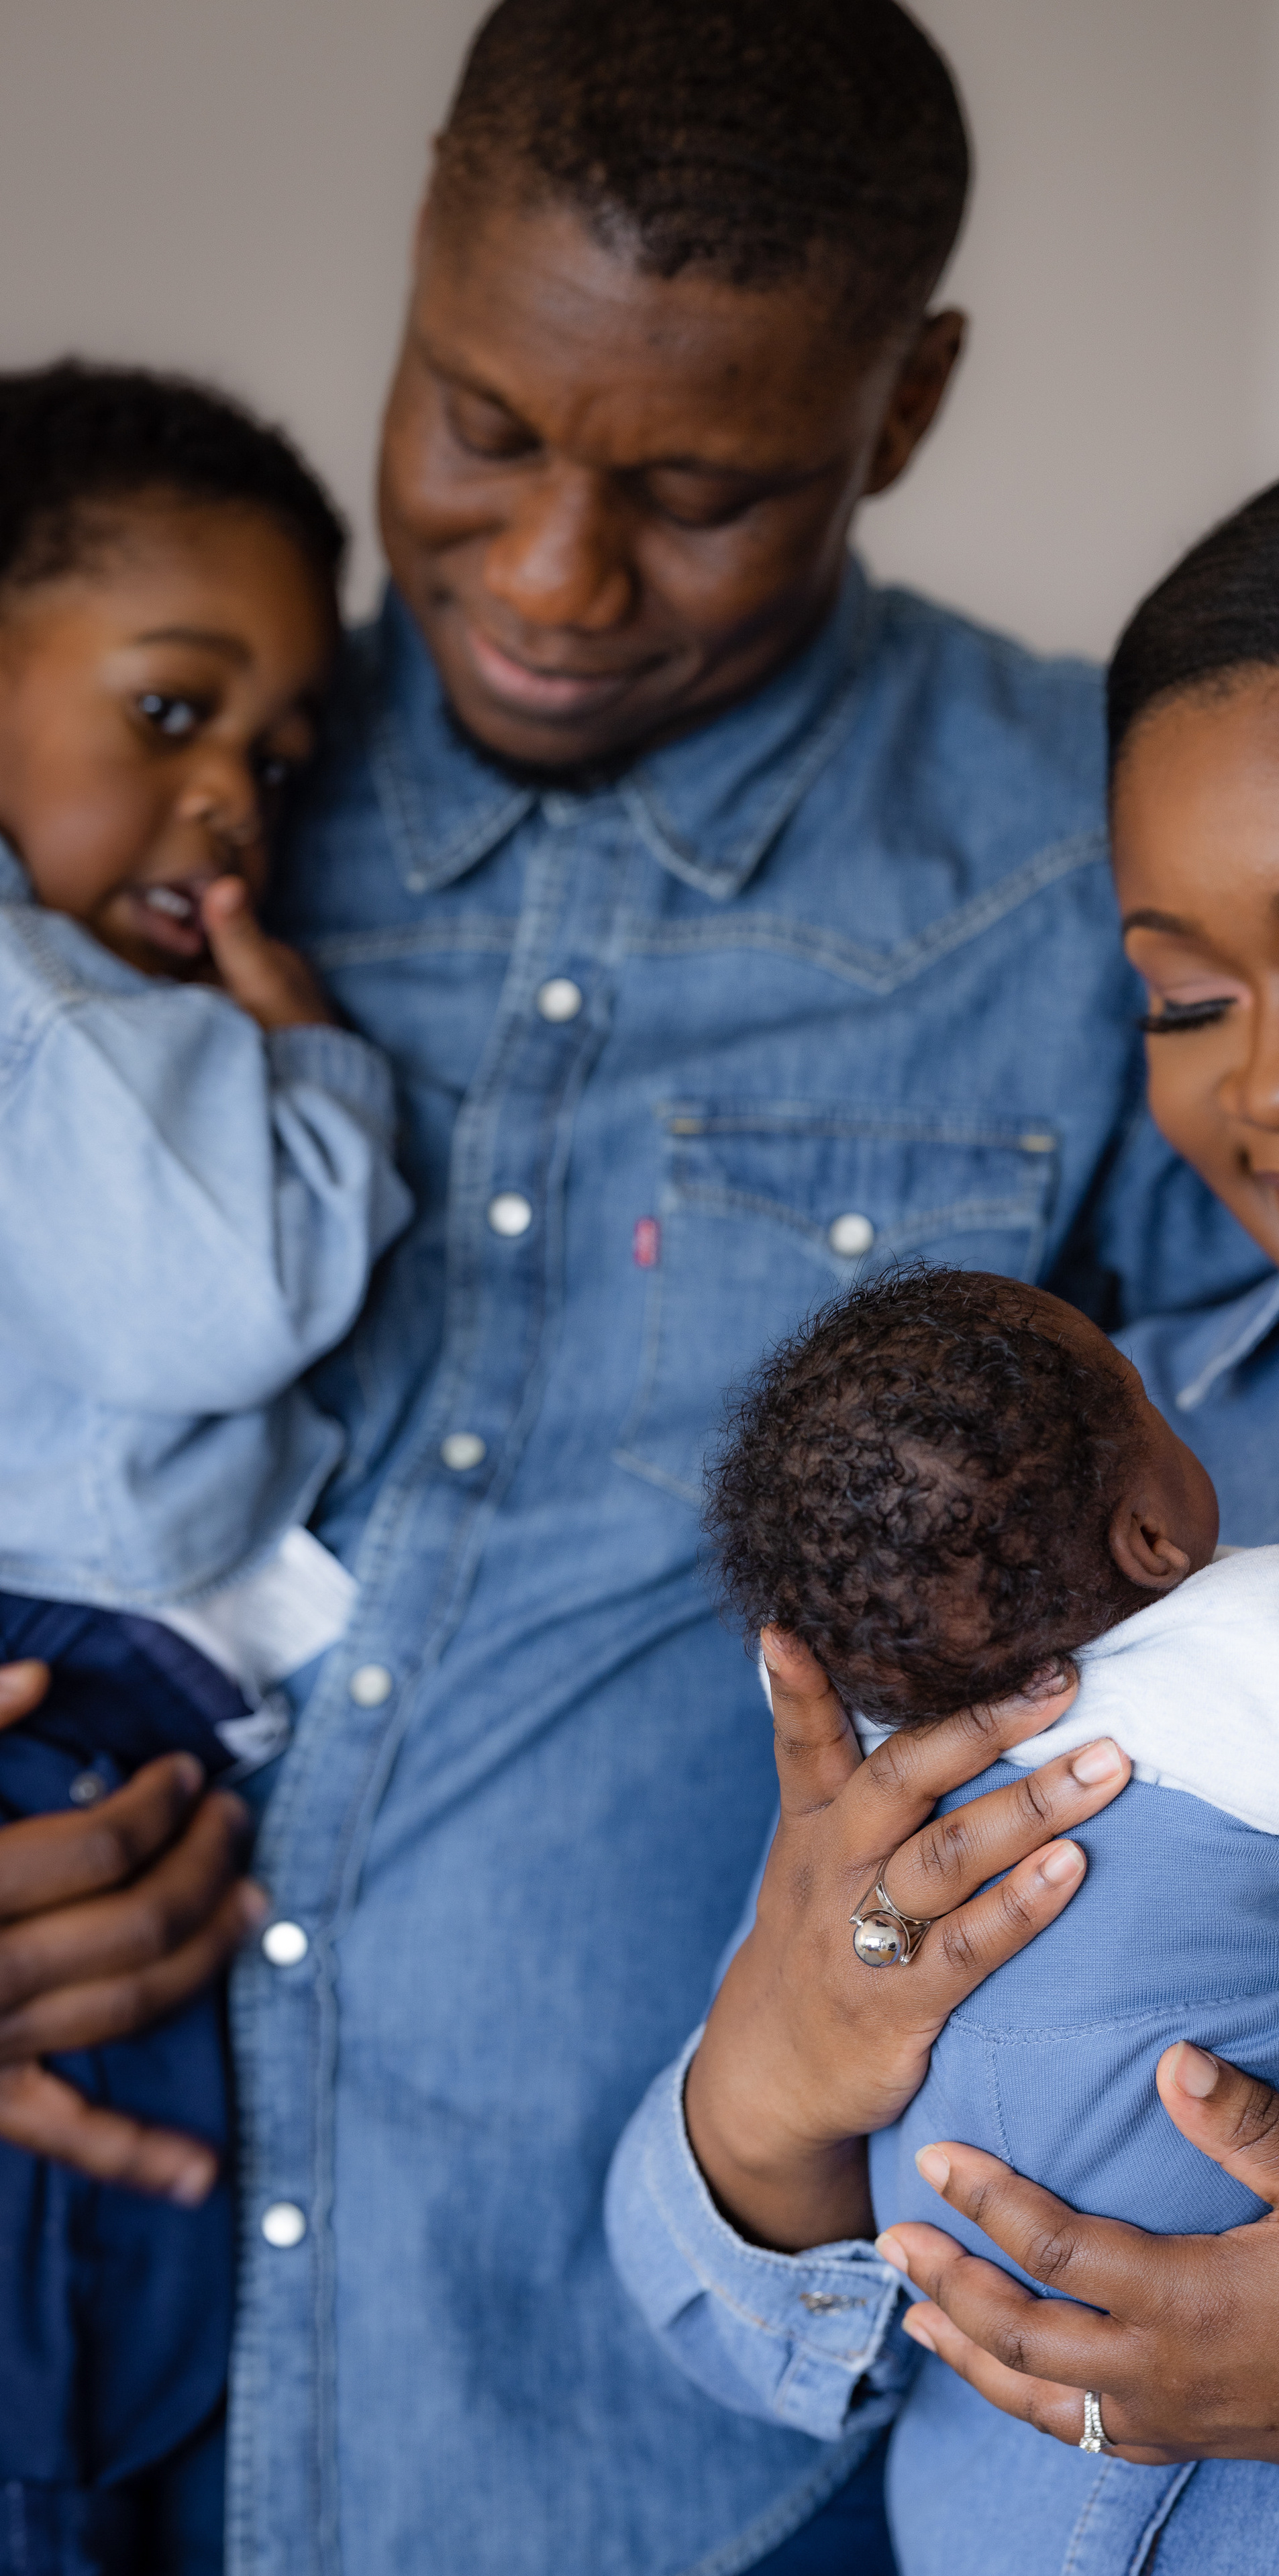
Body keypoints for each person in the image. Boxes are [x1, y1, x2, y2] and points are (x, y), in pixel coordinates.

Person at [0, 6, 1265, 2572]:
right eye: (480, 427)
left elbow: (1273, 1622)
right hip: (77, 2387)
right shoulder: (150, 786)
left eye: (696, 489)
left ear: (903, 407)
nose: (557, 579)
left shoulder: (1097, 860)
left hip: (686, 2455)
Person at [610, 441, 1279, 2573]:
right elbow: (709, 2315)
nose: (1270, 1080)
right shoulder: (1057, 1468)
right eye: (1184, 997)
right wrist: (766, 2086)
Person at [690, 1261, 1279, 2570]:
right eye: (1146, 1397)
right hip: (1242, 2189)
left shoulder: (891, 1749)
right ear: (1151, 1537)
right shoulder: (1253, 1629)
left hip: (954, 2232)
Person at [0, 362, 409, 2575]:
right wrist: (318, 1069)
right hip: (62, 1713)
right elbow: (238, 1296)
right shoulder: (50, 1008)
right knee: (98, 2289)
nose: (236, 801)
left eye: (274, 751)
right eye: (169, 713)